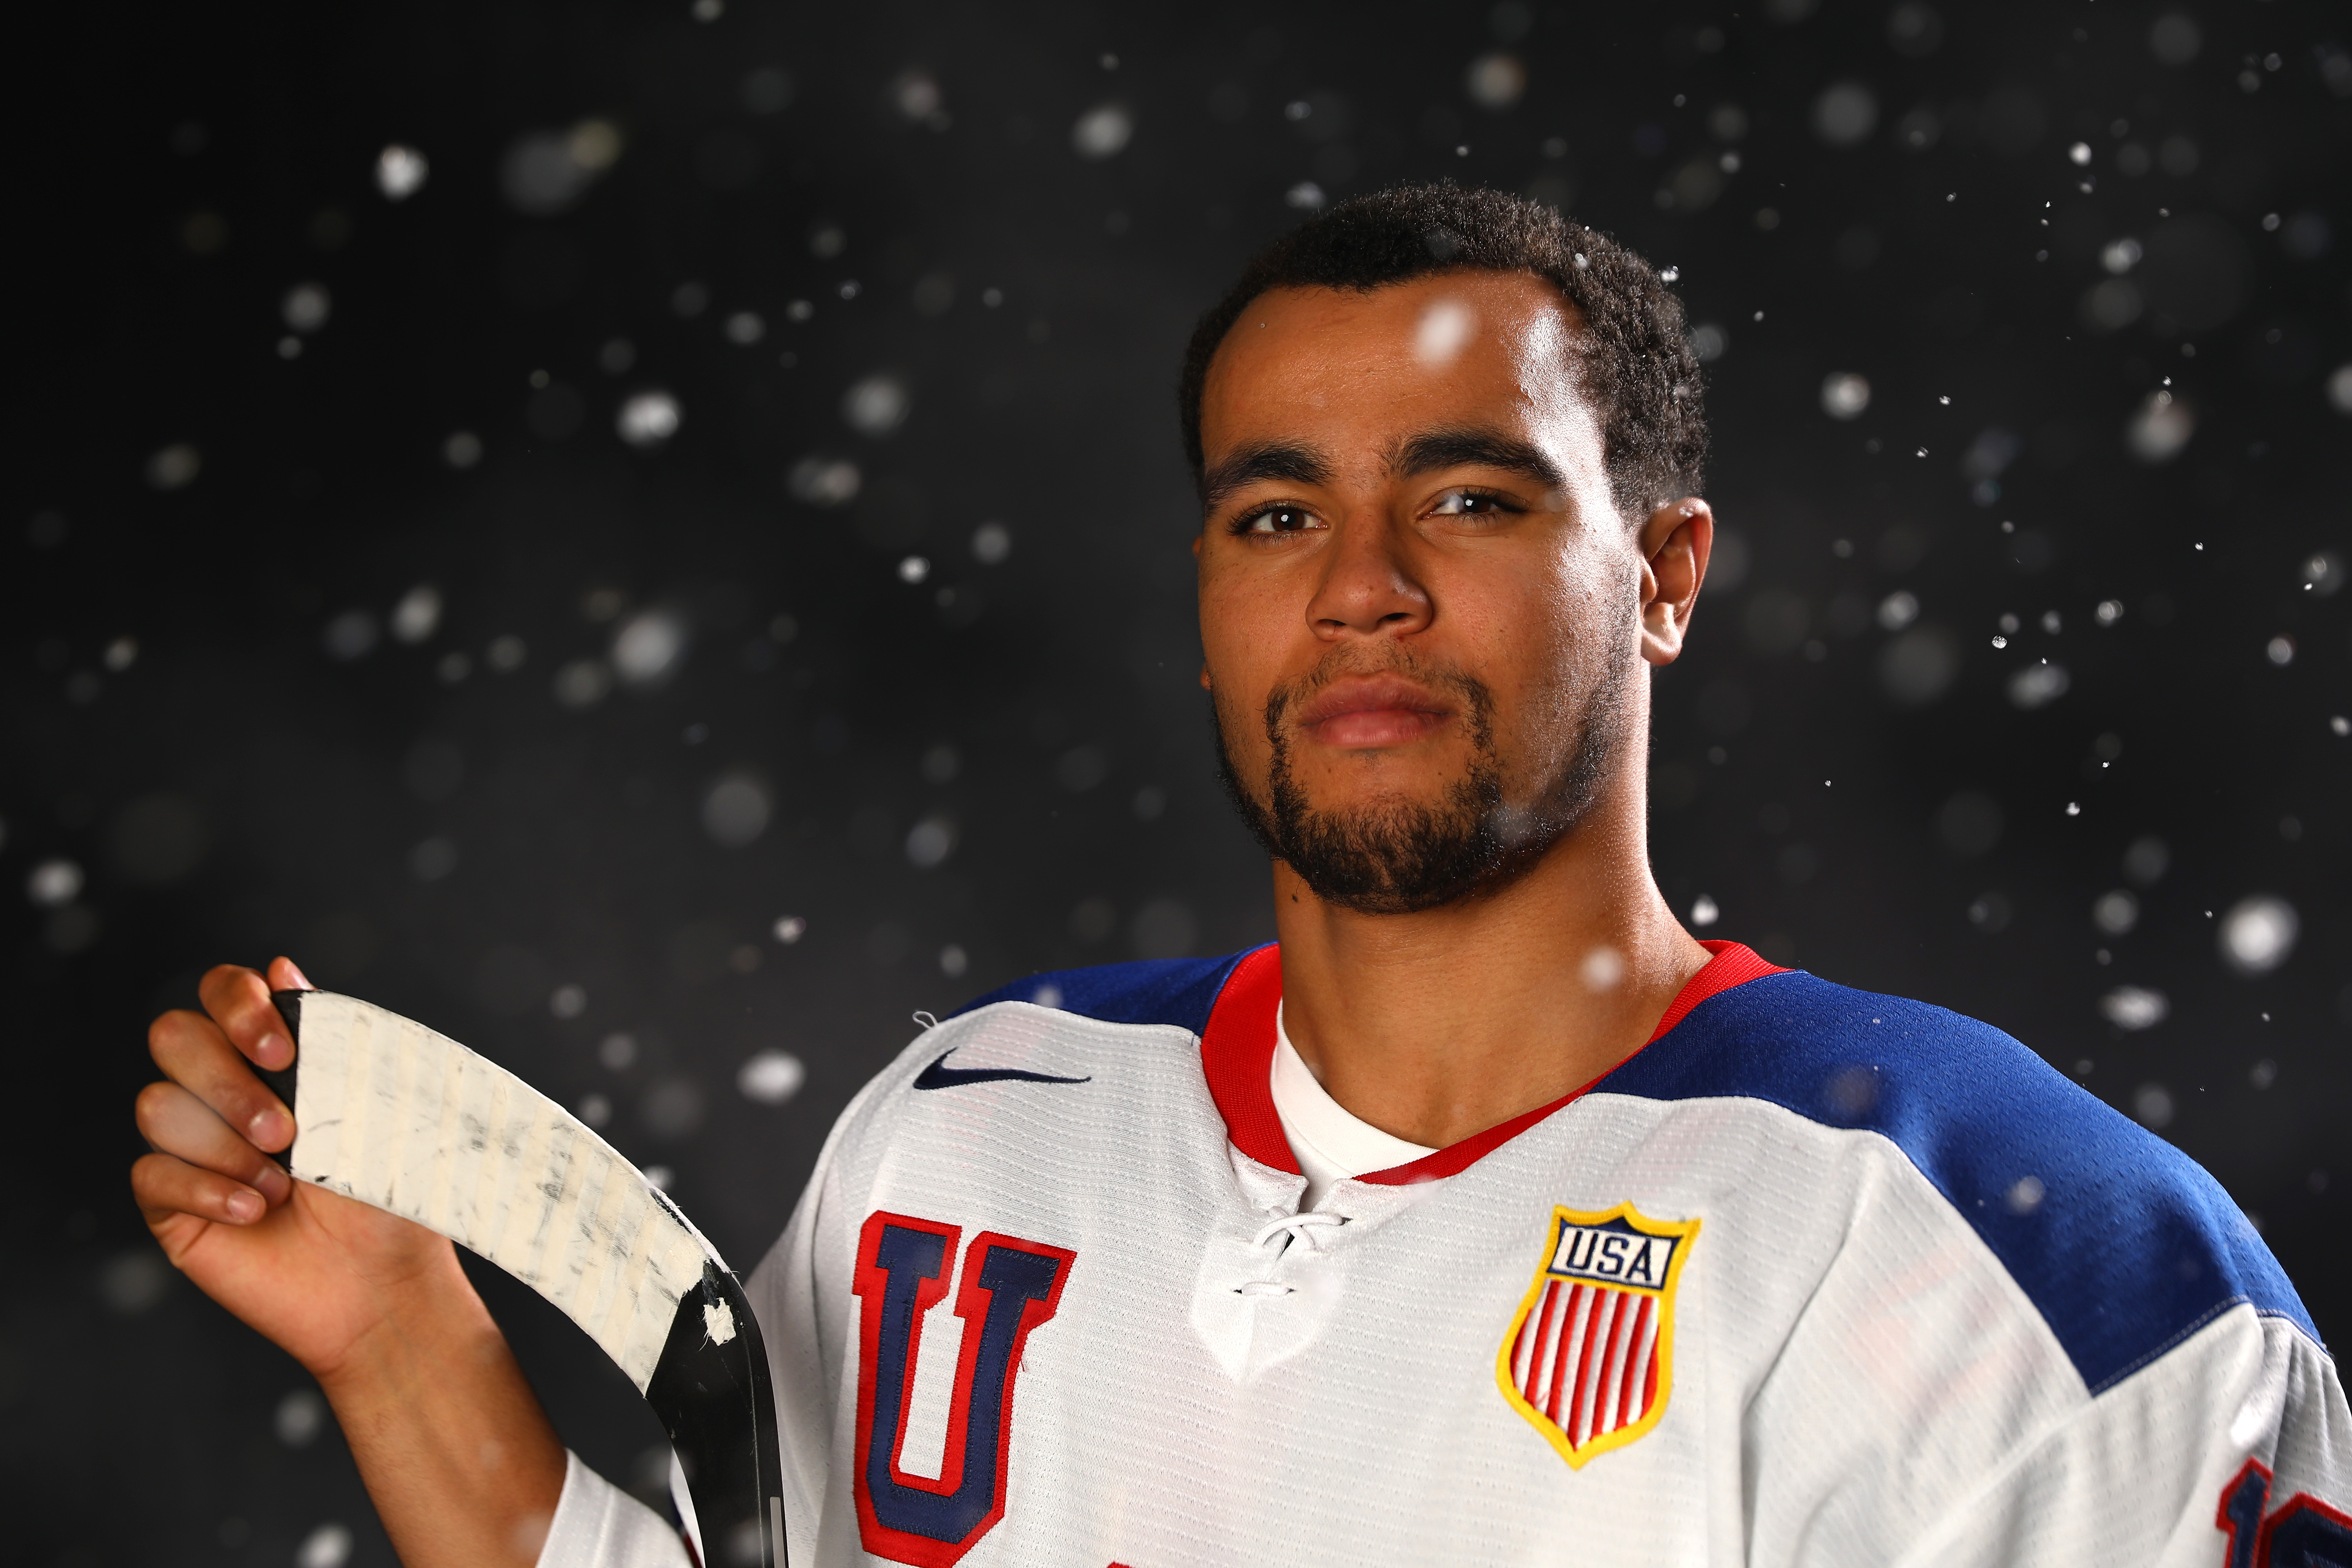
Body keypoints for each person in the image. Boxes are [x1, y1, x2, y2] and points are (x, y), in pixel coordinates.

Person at [133, 185, 2347, 1567]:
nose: (1360, 588)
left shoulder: (2032, 1260)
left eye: (1471, 502)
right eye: (1277, 514)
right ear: (1204, 593)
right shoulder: (971, 1127)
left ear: (1665, 574)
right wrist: (405, 1345)